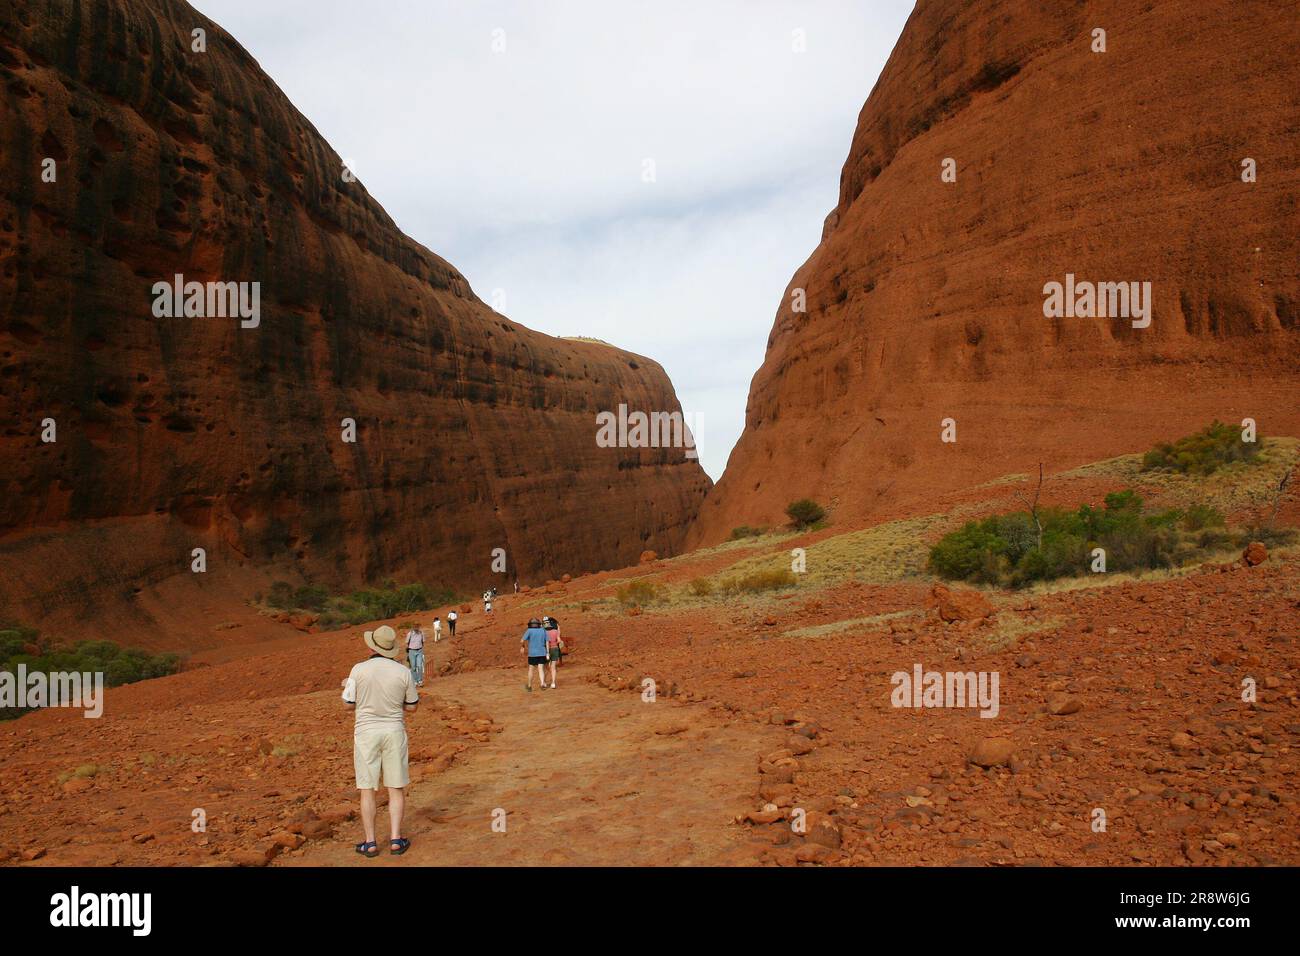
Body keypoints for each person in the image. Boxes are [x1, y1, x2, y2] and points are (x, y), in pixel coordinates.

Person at [340, 624, 418, 858]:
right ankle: (395, 839)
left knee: (367, 789)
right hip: (394, 731)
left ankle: (370, 842)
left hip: (365, 733)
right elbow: (412, 707)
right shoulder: (403, 672)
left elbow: (347, 704)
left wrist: (347, 687)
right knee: (395, 787)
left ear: (371, 645)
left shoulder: (358, 670)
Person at [521, 618, 549, 691]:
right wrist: (547, 652)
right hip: (542, 652)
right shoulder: (543, 630)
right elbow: (547, 641)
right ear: (539, 624)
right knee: (541, 668)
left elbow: (522, 640)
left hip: (532, 653)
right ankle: (542, 683)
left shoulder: (529, 630)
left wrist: (523, 647)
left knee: (531, 669)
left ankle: (529, 686)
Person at [544, 617, 564, 689]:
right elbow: (559, 640)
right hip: (555, 649)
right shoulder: (556, 631)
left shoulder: (544, 631)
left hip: (546, 650)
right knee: (553, 667)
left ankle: (544, 682)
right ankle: (553, 683)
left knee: (546, 667)